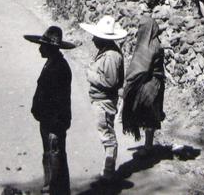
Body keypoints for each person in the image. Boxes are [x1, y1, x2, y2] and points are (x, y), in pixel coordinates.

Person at [25, 26, 75, 195]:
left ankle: (55, 190)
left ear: (50, 48)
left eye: (42, 46)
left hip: (53, 124)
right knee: (50, 156)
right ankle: (50, 189)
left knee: (55, 159)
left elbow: (58, 102)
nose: (39, 48)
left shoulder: (58, 69)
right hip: (48, 122)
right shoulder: (53, 63)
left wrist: (54, 125)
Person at [79, 15, 127, 180]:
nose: (93, 39)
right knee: (105, 131)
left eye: (96, 37)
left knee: (106, 133)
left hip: (104, 101)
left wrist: (90, 74)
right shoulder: (107, 52)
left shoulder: (111, 56)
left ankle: (109, 171)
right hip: (102, 100)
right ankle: (108, 168)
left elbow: (109, 81)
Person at [122, 17, 166, 154]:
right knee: (149, 114)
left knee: (149, 115)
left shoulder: (151, 46)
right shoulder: (151, 42)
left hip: (150, 85)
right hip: (151, 83)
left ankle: (148, 147)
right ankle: (148, 145)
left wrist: (129, 80)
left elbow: (141, 67)